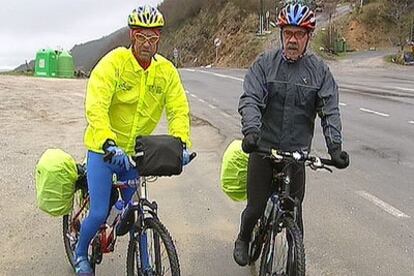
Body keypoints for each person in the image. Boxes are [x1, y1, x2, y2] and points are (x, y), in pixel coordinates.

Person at [74, 5, 191, 275]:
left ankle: (140, 259)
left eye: (152, 38)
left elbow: (178, 109)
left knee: (131, 211)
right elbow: (97, 103)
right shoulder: (114, 63)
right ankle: (81, 253)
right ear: (132, 35)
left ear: (159, 38)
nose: (147, 44)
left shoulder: (166, 72)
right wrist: (106, 142)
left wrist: (181, 144)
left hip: (136, 154)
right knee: (100, 211)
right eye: (141, 37)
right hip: (104, 151)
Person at [233, 2, 350, 266]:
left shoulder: (319, 71)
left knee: (295, 216)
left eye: (299, 34)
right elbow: (250, 99)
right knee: (255, 208)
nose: (293, 40)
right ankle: (243, 236)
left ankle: (295, 264)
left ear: (309, 37)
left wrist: (335, 148)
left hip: (296, 155)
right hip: (263, 149)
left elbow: (329, 110)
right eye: (288, 33)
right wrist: (252, 132)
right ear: (281, 34)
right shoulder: (264, 65)